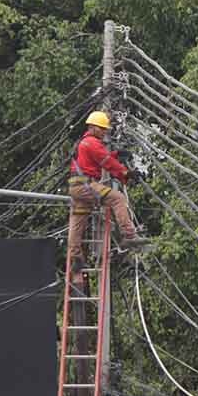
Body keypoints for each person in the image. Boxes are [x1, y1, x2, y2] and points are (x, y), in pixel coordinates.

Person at [67, 111, 147, 276]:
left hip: (76, 188)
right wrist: (127, 173)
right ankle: (129, 235)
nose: (105, 132)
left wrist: (117, 154)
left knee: (77, 222)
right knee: (118, 198)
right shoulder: (92, 143)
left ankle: (76, 259)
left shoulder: (83, 143)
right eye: (102, 129)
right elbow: (107, 163)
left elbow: (101, 158)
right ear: (93, 127)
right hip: (86, 185)